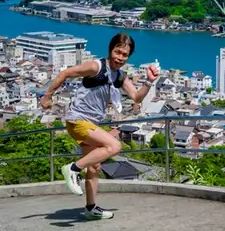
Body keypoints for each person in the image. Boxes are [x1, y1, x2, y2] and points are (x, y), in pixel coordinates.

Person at [40, 33, 159, 219]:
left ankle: (91, 208)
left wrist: (150, 81)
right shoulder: (96, 66)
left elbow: (136, 97)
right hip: (78, 119)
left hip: (91, 123)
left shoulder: (119, 75)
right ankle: (72, 169)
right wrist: (47, 96)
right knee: (114, 146)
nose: (120, 57)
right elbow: (65, 74)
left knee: (94, 167)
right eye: (117, 52)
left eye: (125, 55)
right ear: (110, 50)